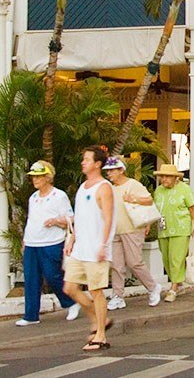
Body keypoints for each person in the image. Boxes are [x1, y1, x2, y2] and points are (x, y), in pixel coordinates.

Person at [63, 146, 117, 352]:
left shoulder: (104, 187)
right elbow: (81, 216)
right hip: (80, 247)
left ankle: (101, 336)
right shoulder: (83, 186)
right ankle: (97, 319)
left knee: (96, 291)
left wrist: (104, 244)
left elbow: (109, 219)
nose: (83, 162)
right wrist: (72, 239)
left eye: (86, 159)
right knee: (70, 288)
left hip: (96, 248)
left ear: (97, 164)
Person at [16, 160, 81, 327]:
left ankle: (71, 302)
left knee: (53, 275)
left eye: (38, 176)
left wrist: (57, 221)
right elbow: (31, 219)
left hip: (51, 242)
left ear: (47, 177)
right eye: (33, 177)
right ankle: (31, 315)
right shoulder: (33, 198)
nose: (35, 180)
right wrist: (25, 239)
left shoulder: (59, 196)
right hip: (32, 243)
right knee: (31, 278)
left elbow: (71, 218)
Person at [103, 156, 162, 310]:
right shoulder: (109, 188)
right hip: (115, 231)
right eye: (107, 171)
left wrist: (134, 199)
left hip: (132, 229)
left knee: (134, 262)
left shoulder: (133, 185)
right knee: (116, 265)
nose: (109, 174)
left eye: (111, 170)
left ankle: (153, 287)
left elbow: (149, 200)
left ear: (121, 170)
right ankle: (118, 295)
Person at [153, 163, 194, 303]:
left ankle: (173, 288)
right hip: (163, 229)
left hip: (180, 228)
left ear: (175, 178)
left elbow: (192, 208)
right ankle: (177, 283)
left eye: (168, 177)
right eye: (163, 176)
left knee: (176, 258)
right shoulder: (159, 190)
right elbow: (154, 209)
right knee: (166, 258)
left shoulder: (184, 189)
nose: (164, 179)